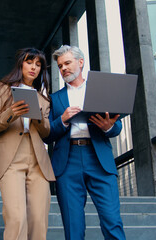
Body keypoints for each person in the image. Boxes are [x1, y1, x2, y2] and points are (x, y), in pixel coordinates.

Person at [43, 45, 126, 240]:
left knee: (112, 220)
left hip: (99, 161)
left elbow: (117, 126)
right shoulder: (54, 99)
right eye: (60, 65)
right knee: (73, 227)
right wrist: (61, 120)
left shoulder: (101, 91)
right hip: (67, 162)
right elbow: (46, 135)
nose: (64, 68)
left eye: (68, 63)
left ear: (81, 62)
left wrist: (107, 126)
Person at [0, 48, 55, 240]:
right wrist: (11, 112)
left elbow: (46, 132)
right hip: (11, 160)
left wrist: (38, 117)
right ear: (20, 64)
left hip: (38, 161)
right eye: (29, 62)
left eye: (38, 65)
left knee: (39, 221)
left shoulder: (43, 99)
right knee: (16, 218)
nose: (34, 68)